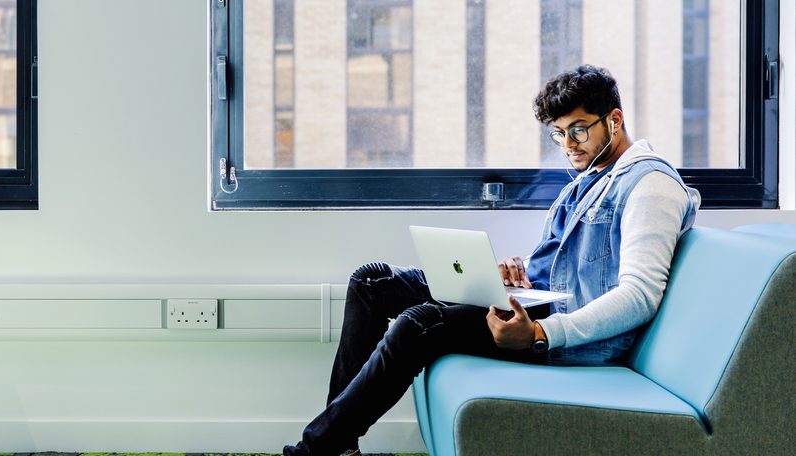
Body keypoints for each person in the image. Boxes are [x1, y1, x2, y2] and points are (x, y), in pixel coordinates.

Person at [283, 64, 702, 456]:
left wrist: (539, 332)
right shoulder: (592, 176)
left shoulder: (650, 185)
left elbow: (639, 296)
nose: (568, 145)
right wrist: (518, 279)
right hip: (533, 303)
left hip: (566, 336)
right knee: (371, 282)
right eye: (558, 134)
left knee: (420, 322)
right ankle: (340, 446)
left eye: (578, 130)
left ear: (614, 120)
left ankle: (315, 449)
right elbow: (566, 264)